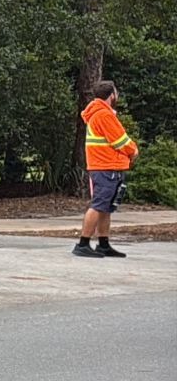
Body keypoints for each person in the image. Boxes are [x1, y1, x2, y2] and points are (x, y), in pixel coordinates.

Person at [76, 80, 138, 259]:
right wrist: (133, 151)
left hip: (105, 166)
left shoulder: (98, 113)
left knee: (105, 207)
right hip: (105, 167)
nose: (117, 96)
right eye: (116, 93)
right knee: (98, 205)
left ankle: (103, 244)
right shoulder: (104, 115)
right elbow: (120, 140)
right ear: (112, 95)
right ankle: (83, 244)